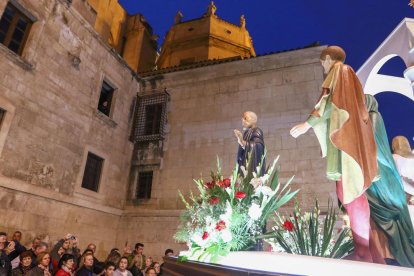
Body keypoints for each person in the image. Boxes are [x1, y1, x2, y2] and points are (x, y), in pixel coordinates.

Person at [290, 46, 380, 263]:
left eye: (323, 62)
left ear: (329, 59)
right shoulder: (344, 74)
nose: (323, 66)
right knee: (344, 190)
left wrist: (307, 124)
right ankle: (363, 249)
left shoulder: (342, 72)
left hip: (347, 138)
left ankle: (363, 251)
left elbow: (332, 104)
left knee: (352, 188)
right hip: (342, 136)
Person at [364, 95, 414, 267]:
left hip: (386, 186)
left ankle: (390, 256)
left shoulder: (373, 119)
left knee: (386, 221)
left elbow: (377, 151)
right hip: (391, 189)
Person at [234, 111, 266, 177]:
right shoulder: (246, 133)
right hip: (244, 164)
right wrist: (241, 141)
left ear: (253, 120)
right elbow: (243, 151)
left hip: (253, 166)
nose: (243, 120)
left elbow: (259, 146)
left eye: (245, 118)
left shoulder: (257, 131)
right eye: (243, 118)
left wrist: (242, 141)